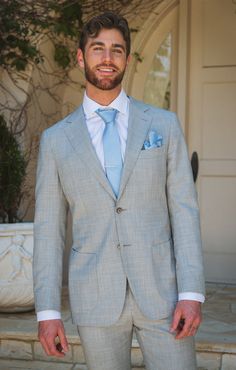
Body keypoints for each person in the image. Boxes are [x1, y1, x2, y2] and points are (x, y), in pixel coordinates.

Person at [33, 12, 205, 370]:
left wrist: (191, 294)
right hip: (95, 298)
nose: (107, 58)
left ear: (127, 58)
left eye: (116, 50)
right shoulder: (55, 141)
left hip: (165, 297)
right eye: (98, 49)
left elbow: (184, 213)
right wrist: (47, 312)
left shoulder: (163, 124)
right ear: (81, 57)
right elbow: (49, 231)